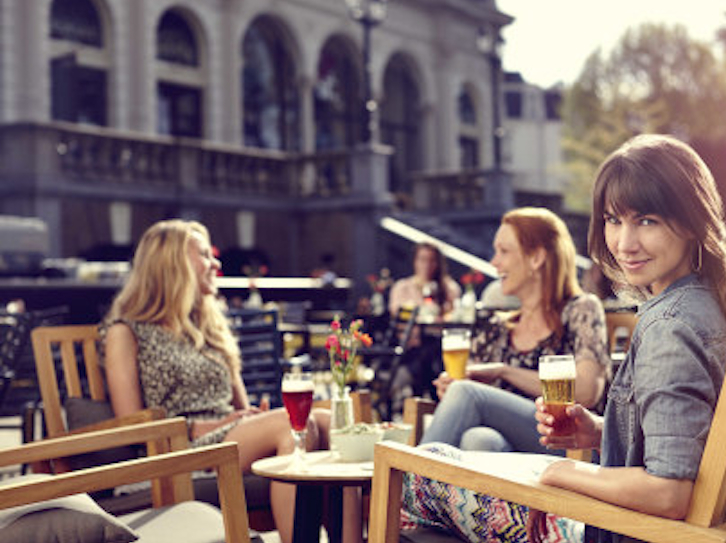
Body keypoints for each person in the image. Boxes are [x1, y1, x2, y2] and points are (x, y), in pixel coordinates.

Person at [401, 136, 726, 542]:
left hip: (623, 532)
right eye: (614, 220)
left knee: (420, 477)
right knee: (465, 454)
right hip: (675, 527)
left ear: (689, 221)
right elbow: (691, 441)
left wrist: (564, 470)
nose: (624, 243)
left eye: (646, 220)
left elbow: (670, 492)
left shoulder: (671, 325)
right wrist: (599, 432)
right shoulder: (718, 302)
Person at [100, 219, 332, 543]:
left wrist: (252, 416)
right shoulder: (125, 332)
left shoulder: (210, 329)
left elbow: (239, 406)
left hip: (229, 437)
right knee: (291, 426)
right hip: (177, 450)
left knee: (327, 421)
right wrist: (214, 425)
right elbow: (133, 426)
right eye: (205, 255)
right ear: (173, 264)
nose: (216, 263)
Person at [420, 207, 611, 454]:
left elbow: (586, 392)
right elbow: (470, 392)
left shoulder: (581, 309)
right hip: (512, 449)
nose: (494, 262)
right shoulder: (497, 327)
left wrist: (504, 372)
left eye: (504, 251)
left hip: (567, 443)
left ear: (536, 258)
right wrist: (454, 386)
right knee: (479, 439)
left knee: (467, 395)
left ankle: (406, 487)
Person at [386, 242, 462, 406]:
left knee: (435, 351)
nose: (427, 265)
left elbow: (455, 315)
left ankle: (431, 401)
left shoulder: (448, 288)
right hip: (410, 348)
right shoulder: (402, 288)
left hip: (440, 346)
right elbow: (398, 315)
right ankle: (437, 400)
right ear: (415, 261)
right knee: (429, 356)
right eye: (422, 259)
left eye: (432, 260)